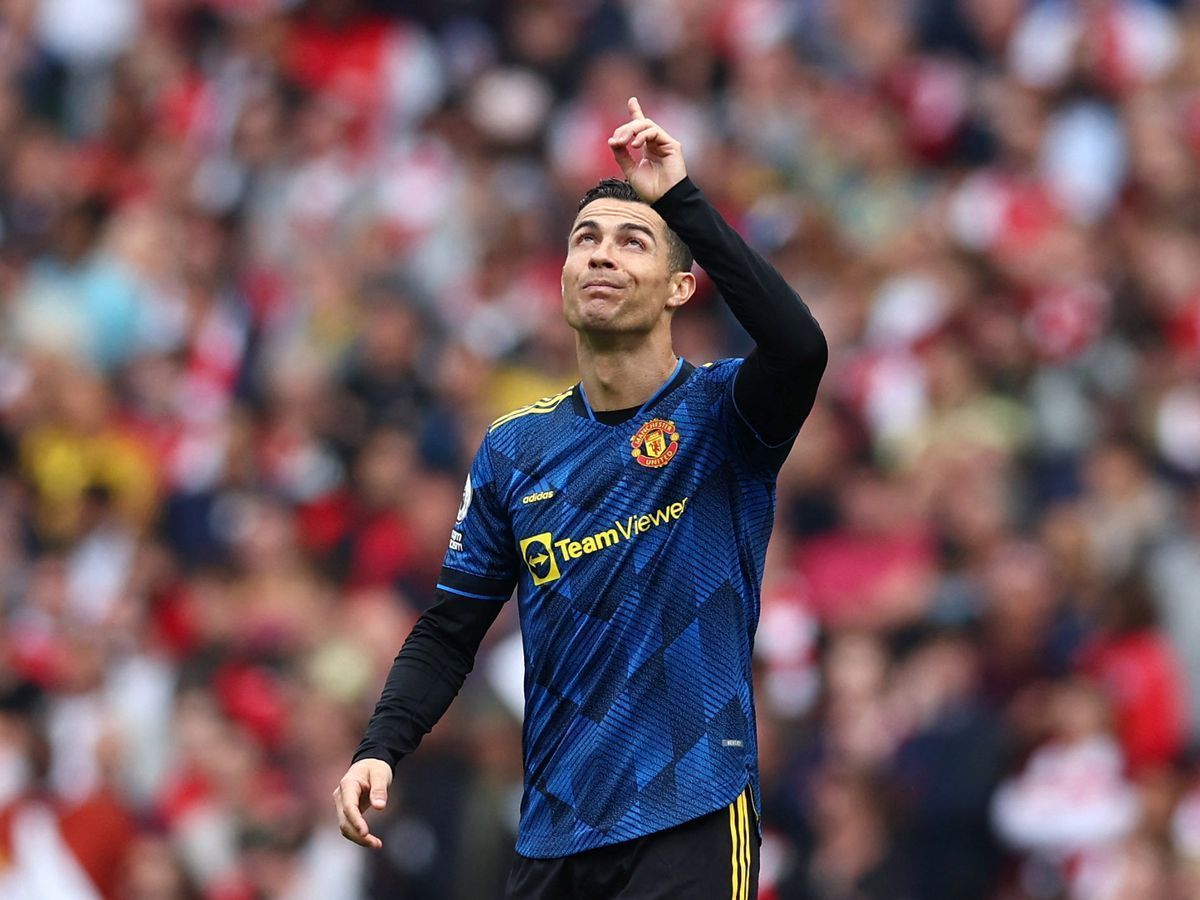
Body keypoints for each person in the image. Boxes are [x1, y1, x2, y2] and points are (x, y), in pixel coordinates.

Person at [334, 97, 827, 899]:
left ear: (678, 287)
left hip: (693, 810)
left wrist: (680, 200)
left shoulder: (723, 414)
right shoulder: (515, 450)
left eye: (632, 241)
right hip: (556, 828)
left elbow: (801, 345)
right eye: (584, 240)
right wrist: (379, 747)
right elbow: (449, 631)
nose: (601, 255)